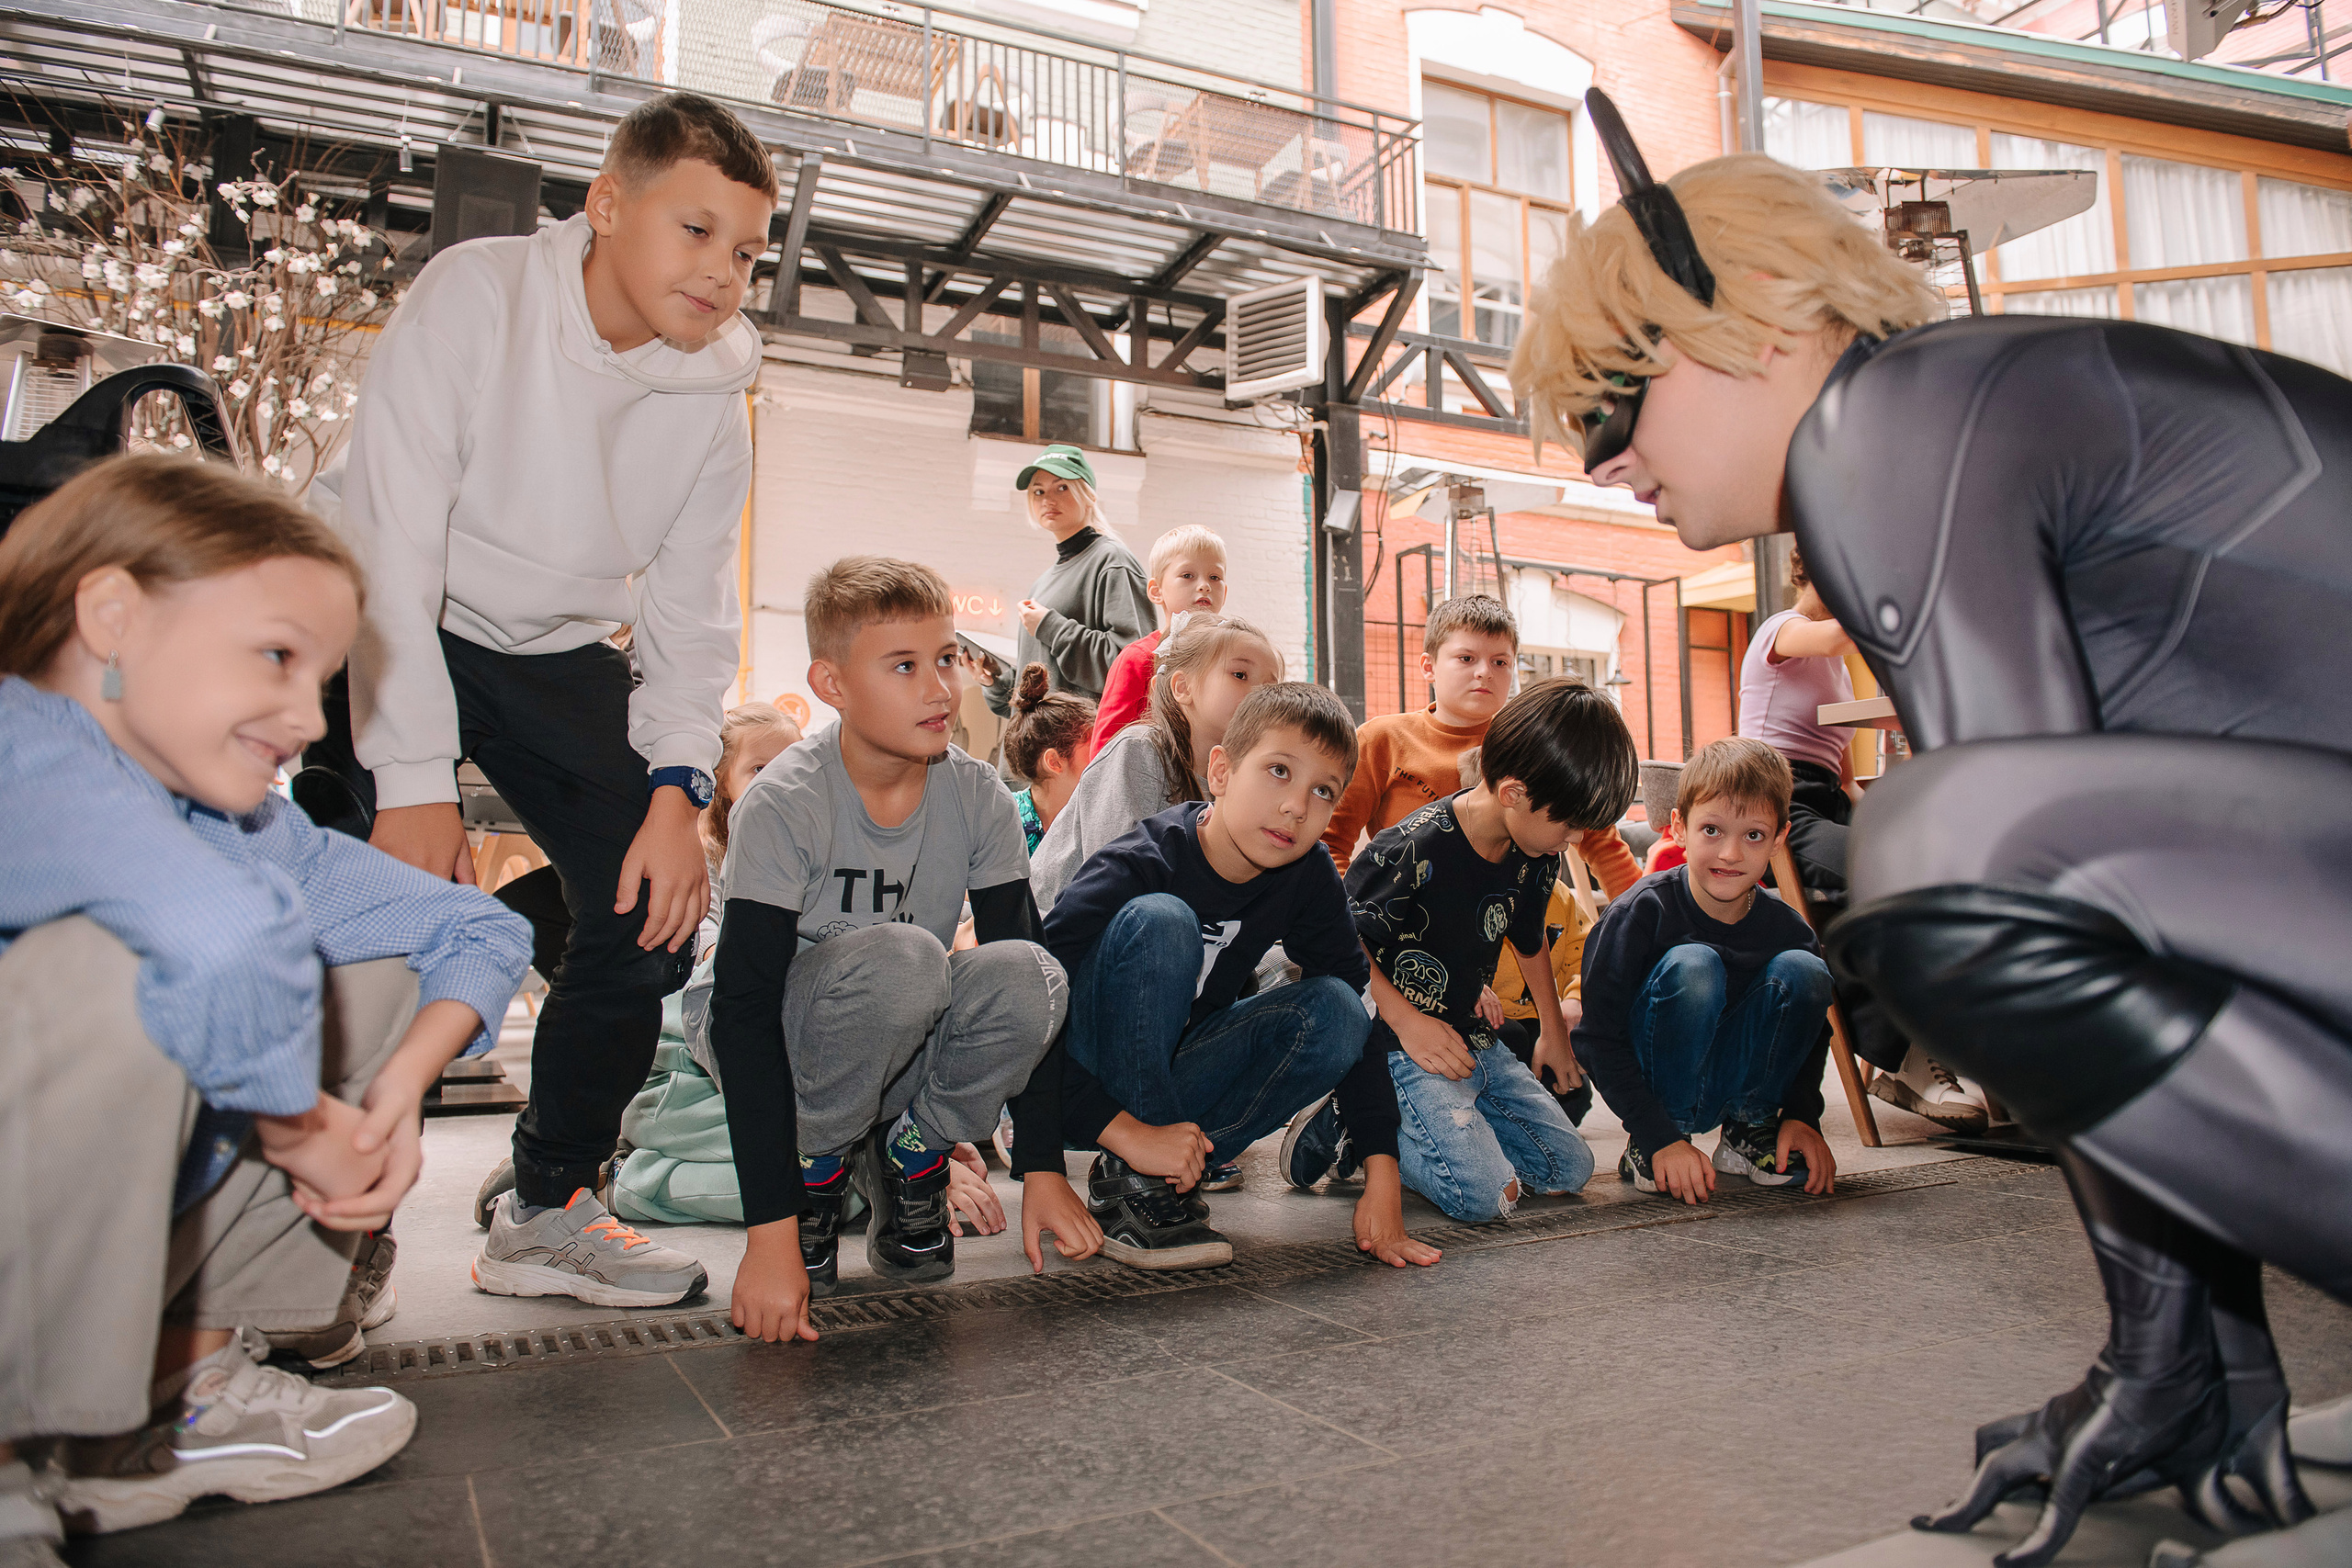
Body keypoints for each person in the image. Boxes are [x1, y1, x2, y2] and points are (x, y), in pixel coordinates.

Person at [1518, 93, 2352, 1564]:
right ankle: (2183, 1373)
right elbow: (2118, 902)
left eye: (1609, 402)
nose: (1602, 462)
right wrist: (2177, 1360)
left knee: (1934, 849)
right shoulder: (1950, 406)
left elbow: (2022, 876)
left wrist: (2166, 1350)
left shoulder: (1889, 429)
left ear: (1755, 323)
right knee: (1956, 840)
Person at [0, 457, 532, 1558]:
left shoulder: (245, 823)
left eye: (322, 682)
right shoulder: (24, 749)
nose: (304, 716)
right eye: (278, 659)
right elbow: (216, 935)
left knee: (364, 964)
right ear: (109, 616)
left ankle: (172, 1391)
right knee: (124, 969)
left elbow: (479, 930)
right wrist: (303, 1126)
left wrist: (385, 1101)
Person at [311, 93, 777, 1306]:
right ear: (607, 207)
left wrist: (678, 789)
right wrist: (410, 784)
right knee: (342, 898)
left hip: (545, 641)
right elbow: (393, 547)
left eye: (744, 251)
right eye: (694, 231)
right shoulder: (479, 298)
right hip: (361, 603)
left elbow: (689, 621)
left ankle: (551, 1200)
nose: (721, 273)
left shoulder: (713, 406)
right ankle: (306, 1236)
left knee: (657, 903)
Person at [707, 558, 1070, 1345]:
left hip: (897, 1018)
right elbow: (740, 1011)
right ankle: (815, 1173)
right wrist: (769, 1231)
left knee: (1036, 977)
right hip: (781, 1034)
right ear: (831, 683)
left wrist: (1044, 1166)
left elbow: (1021, 955)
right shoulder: (785, 802)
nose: (941, 687)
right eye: (905, 666)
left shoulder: (976, 793)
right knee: (908, 958)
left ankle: (914, 1152)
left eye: (946, 658)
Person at [1018, 682, 1372, 1270]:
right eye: (1278, 771)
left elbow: (1354, 997)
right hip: (1075, 1082)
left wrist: (1381, 1168)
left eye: (1323, 791)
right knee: (1163, 919)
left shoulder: (1307, 874)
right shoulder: (1142, 859)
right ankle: (1139, 1166)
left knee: (1338, 1012)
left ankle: (1145, 1176)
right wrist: (1042, 1167)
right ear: (1221, 770)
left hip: (1172, 1077)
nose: (1296, 806)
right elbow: (1032, 1011)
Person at [1313, 682, 1626, 1261]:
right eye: (1569, 825)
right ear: (1513, 793)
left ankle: (1433, 1125)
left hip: (1471, 1036)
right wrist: (1407, 1022)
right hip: (1397, 1044)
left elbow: (1529, 941)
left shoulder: (1537, 853)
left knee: (1568, 1169)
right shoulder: (1410, 847)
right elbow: (1338, 940)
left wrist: (1555, 1038)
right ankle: (1355, 1120)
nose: (1575, 840)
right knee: (1485, 1195)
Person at [1737, 550, 1983, 1132]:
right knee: (1876, 882)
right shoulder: (1781, 632)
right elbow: (1840, 635)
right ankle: (1906, 1056)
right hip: (1776, 807)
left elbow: (1845, 776)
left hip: (1825, 803)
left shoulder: (1840, 673)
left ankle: (1949, 1044)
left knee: (1929, 876)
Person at [1569, 739, 1838, 1205]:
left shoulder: (1788, 929)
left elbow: (1814, 1035)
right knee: (1695, 964)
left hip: (1736, 1079)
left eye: (1753, 835)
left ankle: (1750, 1131)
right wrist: (1654, 1132)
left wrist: (1801, 1115)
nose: (1731, 853)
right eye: (1712, 830)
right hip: (1656, 1097)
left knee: (1806, 970)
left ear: (1778, 839)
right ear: (1678, 827)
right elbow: (1597, 1037)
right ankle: (1657, 1145)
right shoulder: (1639, 912)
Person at [1318, 594, 1643, 894]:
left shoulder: (1536, 742)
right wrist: (1359, 920)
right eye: (1466, 658)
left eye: (1500, 662)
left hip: (1519, 927)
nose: (1484, 672)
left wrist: (1645, 921)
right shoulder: (1381, 740)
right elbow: (1330, 845)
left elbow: (1602, 844)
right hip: (1406, 923)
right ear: (1429, 667)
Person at [1028, 611, 1280, 910]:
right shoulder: (1138, 752)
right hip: (1066, 924)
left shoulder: (1237, 778)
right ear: (1182, 687)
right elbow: (1118, 880)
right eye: (1240, 675)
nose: (1259, 694)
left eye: (1270, 687)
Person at [1458, 747, 1599, 1129]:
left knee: (1573, 1094)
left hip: (1540, 1018)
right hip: (1483, 1022)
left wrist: (1574, 999)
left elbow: (1584, 954)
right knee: (1513, 1042)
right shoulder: (1461, 889)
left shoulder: (1560, 898)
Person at [973, 445, 1157, 717]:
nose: (1048, 499)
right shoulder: (1042, 584)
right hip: (1031, 754)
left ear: (1088, 495)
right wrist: (995, 682)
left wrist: (1051, 627)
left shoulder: (1112, 561)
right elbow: (1043, 693)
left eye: (1062, 488)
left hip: (1077, 753)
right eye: (1039, 491)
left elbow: (1134, 666)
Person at [1091, 525, 1228, 748]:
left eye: (1215, 577)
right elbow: (1106, 746)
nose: (1204, 586)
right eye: (1188, 575)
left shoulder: (1230, 657)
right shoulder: (1138, 659)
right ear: (1156, 591)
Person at [1000, 662, 1096, 852]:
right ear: (1054, 762)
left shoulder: (1092, 816)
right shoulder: (1003, 823)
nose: (1102, 755)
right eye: (1093, 748)